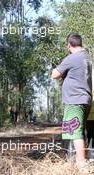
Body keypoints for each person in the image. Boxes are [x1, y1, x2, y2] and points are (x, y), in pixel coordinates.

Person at [51, 33, 92, 168]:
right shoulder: (86, 58)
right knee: (79, 131)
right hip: (85, 99)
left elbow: (55, 74)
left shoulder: (72, 58)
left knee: (75, 133)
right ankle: (78, 161)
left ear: (68, 44)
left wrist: (60, 71)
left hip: (75, 99)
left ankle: (81, 164)